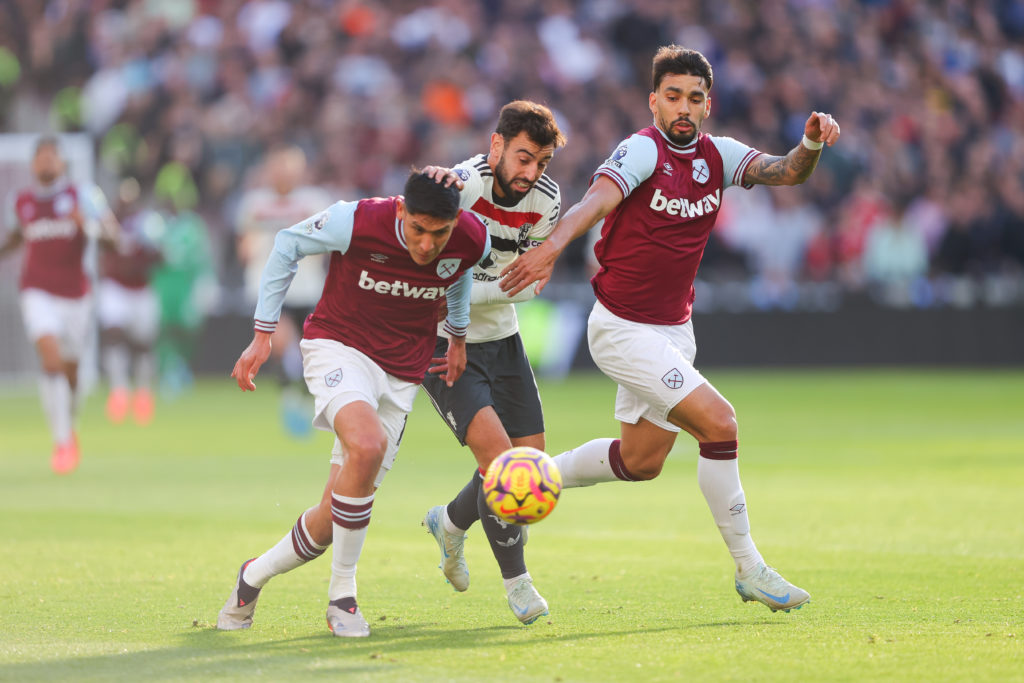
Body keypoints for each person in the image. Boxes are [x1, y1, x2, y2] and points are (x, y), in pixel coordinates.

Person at [501, 45, 841, 613]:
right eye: (674, 96)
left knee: (641, 461)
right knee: (721, 423)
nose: (684, 107)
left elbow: (785, 172)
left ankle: (514, 488)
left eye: (696, 98)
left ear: (708, 105)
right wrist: (551, 249)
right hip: (621, 328)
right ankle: (749, 566)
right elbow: (596, 201)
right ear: (654, 100)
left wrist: (808, 143)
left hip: (674, 331)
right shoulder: (641, 149)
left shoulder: (720, 155)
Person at [217, 170, 490, 638]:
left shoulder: (471, 238)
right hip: (339, 348)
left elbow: (460, 271)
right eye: (418, 229)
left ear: (456, 222)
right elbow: (285, 243)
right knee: (367, 446)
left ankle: (252, 576)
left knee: (329, 520)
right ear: (401, 210)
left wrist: (459, 336)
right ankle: (342, 597)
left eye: (439, 233)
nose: (427, 245)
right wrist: (263, 335)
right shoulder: (357, 219)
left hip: (403, 373)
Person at [419, 100, 565, 625]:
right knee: (508, 470)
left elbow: (531, 285)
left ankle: (451, 523)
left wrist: (485, 291)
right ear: (496, 145)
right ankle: (518, 584)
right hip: (442, 344)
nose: (531, 173)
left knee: (530, 462)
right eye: (523, 158)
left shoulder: (547, 202)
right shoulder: (463, 186)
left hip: (504, 341)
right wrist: (500, 289)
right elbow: (435, 275)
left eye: (542, 162)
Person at [0, 136, 120, 474]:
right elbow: (15, 237)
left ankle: (70, 424)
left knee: (71, 370)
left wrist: (90, 228)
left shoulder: (83, 196)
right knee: (50, 357)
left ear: (63, 163)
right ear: (32, 164)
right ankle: (62, 441)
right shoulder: (19, 201)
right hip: (36, 290)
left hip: (75, 295)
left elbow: (115, 238)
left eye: (52, 157)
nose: (46, 162)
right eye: (40, 157)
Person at [235, 144, 334, 437]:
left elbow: (329, 244)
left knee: (310, 355)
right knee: (281, 345)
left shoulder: (315, 201)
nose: (282, 174)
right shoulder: (254, 203)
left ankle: (301, 398)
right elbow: (244, 243)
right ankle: (292, 395)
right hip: (268, 289)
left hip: (308, 288)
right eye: (277, 167)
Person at [98, 179, 163, 425]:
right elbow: (103, 249)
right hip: (115, 287)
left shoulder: (147, 223)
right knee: (113, 334)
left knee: (143, 343)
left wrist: (152, 246)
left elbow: (161, 257)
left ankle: (144, 393)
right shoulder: (108, 223)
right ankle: (119, 390)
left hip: (141, 289)